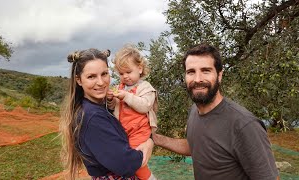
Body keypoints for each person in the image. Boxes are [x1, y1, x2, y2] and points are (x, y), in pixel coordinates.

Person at [152, 43, 280, 180]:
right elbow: (196, 145)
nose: (197, 79)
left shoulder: (243, 125)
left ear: (219, 75)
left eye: (206, 71)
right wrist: (156, 138)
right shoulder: (195, 111)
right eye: (191, 72)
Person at [60, 48, 154, 180]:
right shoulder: (93, 117)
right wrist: (149, 144)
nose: (101, 82)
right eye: (91, 76)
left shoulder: (96, 107)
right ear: (79, 80)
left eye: (104, 74)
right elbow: (126, 163)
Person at [106, 45, 158, 180]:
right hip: (124, 132)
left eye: (128, 72)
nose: (125, 76)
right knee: (125, 160)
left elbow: (145, 106)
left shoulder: (145, 87)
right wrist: (111, 100)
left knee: (136, 160)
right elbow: (113, 109)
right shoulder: (119, 88)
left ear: (140, 69)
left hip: (139, 131)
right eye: (121, 73)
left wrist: (126, 96)